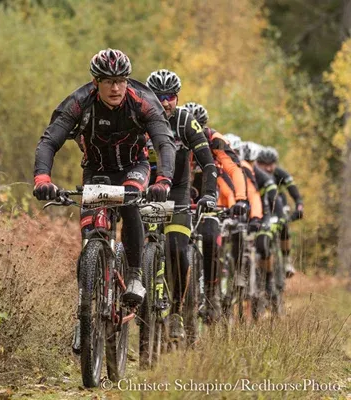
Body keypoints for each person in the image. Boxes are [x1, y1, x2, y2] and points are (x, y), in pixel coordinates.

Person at [33, 48, 177, 310]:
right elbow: (49, 141)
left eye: (121, 80)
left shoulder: (143, 100)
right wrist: (43, 179)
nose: (116, 87)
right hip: (96, 169)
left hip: (134, 165)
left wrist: (163, 181)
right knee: (91, 234)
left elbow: (165, 143)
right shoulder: (79, 102)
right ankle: (85, 307)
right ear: (95, 81)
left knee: (130, 198)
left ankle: (134, 276)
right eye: (109, 81)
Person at [146, 69, 217, 340]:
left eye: (170, 97)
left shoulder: (185, 121)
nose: (165, 102)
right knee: (135, 241)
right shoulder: (139, 115)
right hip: (144, 187)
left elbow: (207, 161)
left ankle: (175, 310)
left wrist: (208, 194)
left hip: (176, 190)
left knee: (177, 248)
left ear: (177, 98)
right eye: (158, 96)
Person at [185, 102, 248, 322]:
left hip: (209, 197)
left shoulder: (216, 140)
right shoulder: (176, 135)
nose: (197, 134)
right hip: (183, 196)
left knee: (211, 236)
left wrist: (240, 199)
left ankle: (211, 294)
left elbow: (233, 169)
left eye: (200, 129)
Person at [240, 141, 286, 312]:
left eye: (251, 163)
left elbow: (276, 201)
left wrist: (279, 218)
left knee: (262, 244)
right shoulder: (235, 173)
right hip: (242, 216)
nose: (248, 166)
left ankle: (268, 279)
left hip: (263, 215)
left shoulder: (263, 177)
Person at [256, 146, 303, 278]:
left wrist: (299, 204)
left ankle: (287, 261)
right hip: (260, 208)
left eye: (271, 164)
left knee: (284, 225)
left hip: (279, 206)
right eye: (264, 164)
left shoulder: (280, 173)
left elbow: (293, 190)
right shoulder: (255, 175)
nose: (268, 168)